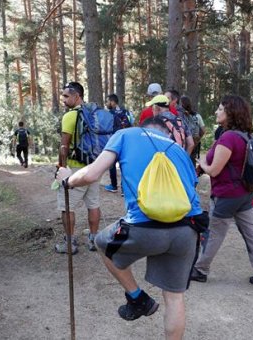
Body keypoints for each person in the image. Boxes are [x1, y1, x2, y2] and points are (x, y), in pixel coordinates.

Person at [55, 117, 204, 340]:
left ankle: (137, 298)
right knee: (174, 298)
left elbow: (92, 174)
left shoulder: (127, 134)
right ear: (166, 132)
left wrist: (68, 180)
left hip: (144, 226)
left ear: (145, 127)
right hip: (188, 229)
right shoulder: (179, 150)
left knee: (102, 243)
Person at [190, 95, 253, 288]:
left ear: (230, 113)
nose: (216, 112)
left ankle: (200, 269)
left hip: (227, 195)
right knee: (251, 232)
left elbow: (213, 170)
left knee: (214, 233)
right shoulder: (245, 135)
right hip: (245, 193)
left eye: (220, 109)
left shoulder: (228, 138)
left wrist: (202, 162)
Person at [55, 81, 101, 253]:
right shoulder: (94, 114)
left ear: (77, 96)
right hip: (94, 166)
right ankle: (94, 240)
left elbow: (64, 146)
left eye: (66, 96)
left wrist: (61, 167)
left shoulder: (70, 116)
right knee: (93, 204)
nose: (63, 99)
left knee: (67, 206)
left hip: (75, 168)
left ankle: (70, 244)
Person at [104, 93, 133, 193]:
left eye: (107, 101)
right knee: (123, 165)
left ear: (112, 102)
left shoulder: (109, 114)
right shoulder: (125, 112)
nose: (106, 103)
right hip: (126, 142)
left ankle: (113, 185)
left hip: (114, 141)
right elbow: (131, 124)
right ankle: (124, 189)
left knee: (112, 164)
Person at [180, 95, 206, 163]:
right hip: (195, 141)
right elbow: (203, 130)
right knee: (192, 161)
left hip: (184, 141)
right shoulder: (197, 116)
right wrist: (198, 138)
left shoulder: (180, 115)